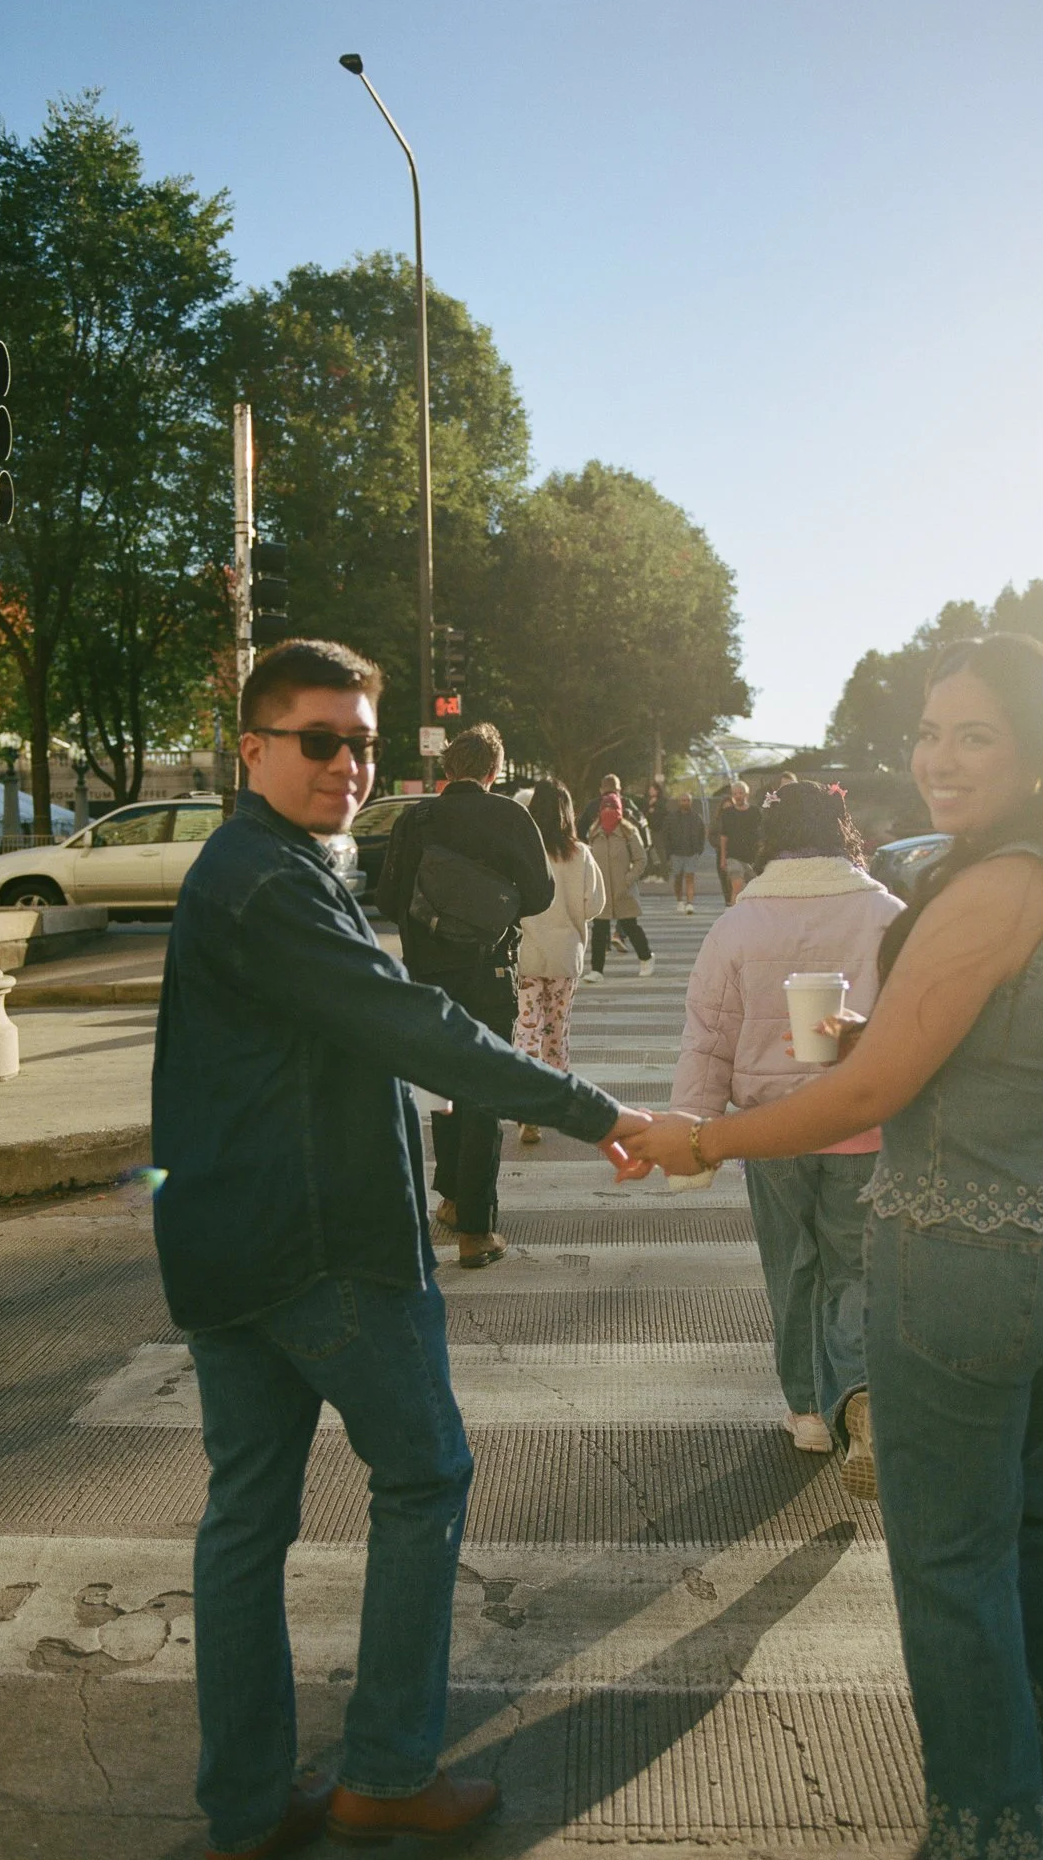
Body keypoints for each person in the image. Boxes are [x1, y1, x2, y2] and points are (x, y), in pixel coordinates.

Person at [623, 633, 1043, 1858]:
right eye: (931, 731)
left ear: (1039, 751)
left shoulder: (989, 885)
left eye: (973, 734)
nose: (938, 757)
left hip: (967, 1262)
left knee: (947, 1556)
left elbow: (863, 1095)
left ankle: (984, 1829)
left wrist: (704, 1138)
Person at [151, 641, 648, 1860]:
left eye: (362, 742)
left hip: (229, 1238)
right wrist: (602, 1114)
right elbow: (413, 1025)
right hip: (323, 1243)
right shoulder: (268, 883)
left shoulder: (266, 865)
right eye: (319, 740)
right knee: (422, 1477)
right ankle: (383, 1770)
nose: (347, 764)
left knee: (245, 1520)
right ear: (253, 749)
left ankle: (246, 1801)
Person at [670, 781, 903, 1455]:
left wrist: (693, 1133)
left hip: (769, 1133)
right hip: (864, 1124)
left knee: (793, 1266)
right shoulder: (888, 914)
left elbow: (708, 1036)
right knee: (858, 1267)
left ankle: (806, 1411)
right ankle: (859, 1396)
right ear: (843, 829)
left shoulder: (738, 923)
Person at [377, 722, 553, 1268]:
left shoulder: (417, 818)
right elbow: (542, 894)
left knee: (443, 1087)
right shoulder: (509, 815)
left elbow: (387, 897)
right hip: (488, 973)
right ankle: (477, 1230)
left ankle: (451, 1199)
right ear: (493, 771)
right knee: (484, 1090)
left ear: (447, 768)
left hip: (428, 973)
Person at [514, 778, 606, 1146]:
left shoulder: (522, 850)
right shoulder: (580, 853)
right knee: (556, 1032)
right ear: (568, 812)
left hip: (527, 954)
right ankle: (553, 1103)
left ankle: (525, 1108)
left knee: (526, 1029)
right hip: (566, 955)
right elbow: (595, 904)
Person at [585, 791, 654, 983]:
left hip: (623, 889)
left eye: (613, 808)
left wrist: (628, 879)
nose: (608, 811)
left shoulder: (628, 831)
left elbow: (641, 859)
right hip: (602, 890)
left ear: (619, 810)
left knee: (631, 927)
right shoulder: (594, 831)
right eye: (605, 807)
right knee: (599, 930)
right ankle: (596, 970)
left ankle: (646, 958)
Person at [714, 781, 762, 905]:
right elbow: (724, 837)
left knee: (754, 889)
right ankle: (732, 915)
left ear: (746, 794)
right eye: (735, 793)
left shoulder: (755, 812)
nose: (738, 796)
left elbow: (761, 835)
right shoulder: (728, 813)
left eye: (740, 793)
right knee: (737, 886)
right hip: (733, 856)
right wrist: (723, 858)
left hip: (752, 856)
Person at [665, 793, 707, 913]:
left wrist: (699, 849)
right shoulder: (671, 817)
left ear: (691, 802)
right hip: (676, 852)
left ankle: (689, 903)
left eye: (687, 800)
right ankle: (679, 901)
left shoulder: (696, 817)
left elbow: (702, 834)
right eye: (683, 800)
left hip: (691, 852)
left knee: (690, 877)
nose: (685, 802)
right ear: (679, 802)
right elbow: (666, 835)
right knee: (678, 878)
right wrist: (669, 851)